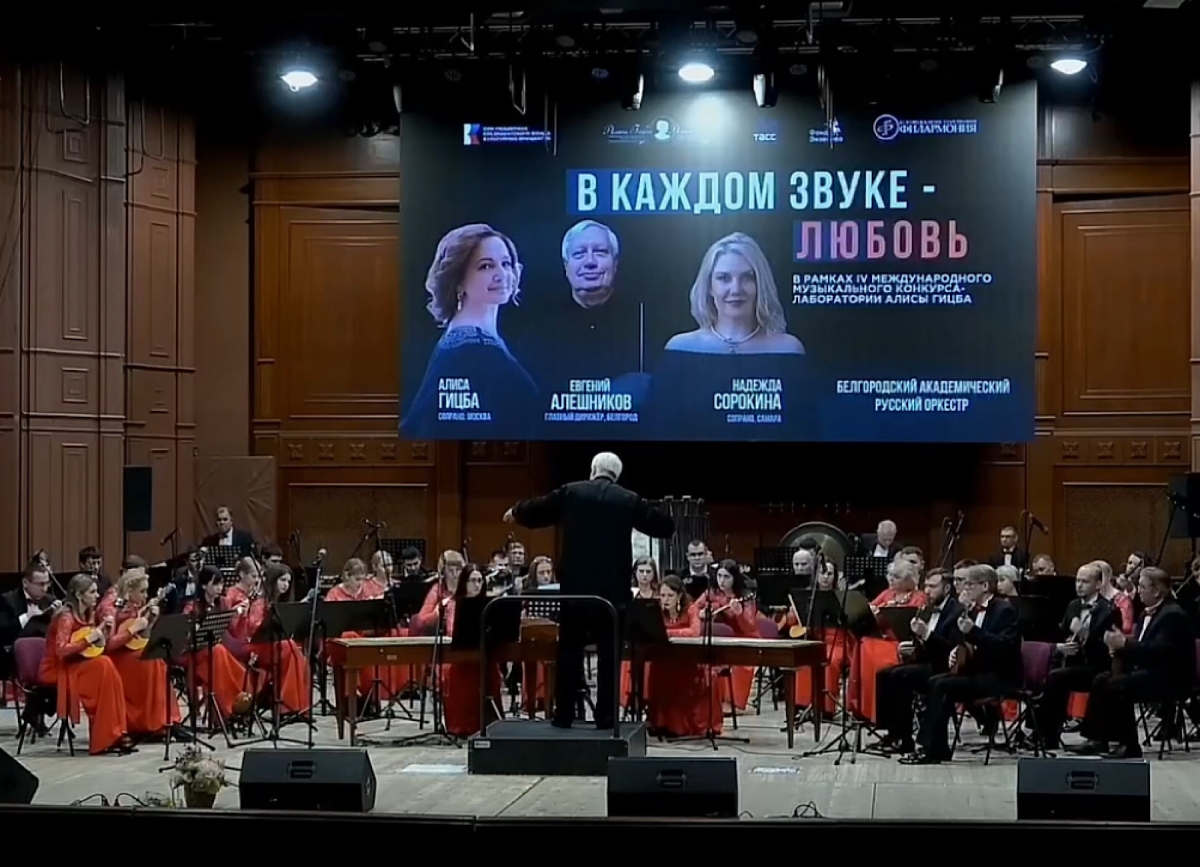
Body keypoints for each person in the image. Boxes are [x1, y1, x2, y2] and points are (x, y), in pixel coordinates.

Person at [504, 450, 675, 729]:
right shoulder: (627, 499)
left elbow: (539, 509)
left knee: (569, 652)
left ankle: (563, 715)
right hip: (611, 595)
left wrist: (516, 512)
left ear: (593, 470)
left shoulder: (572, 492)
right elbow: (664, 526)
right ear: (616, 475)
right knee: (609, 656)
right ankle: (606, 718)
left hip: (576, 591)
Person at [401, 224, 538, 438]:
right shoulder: (468, 351)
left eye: (506, 263)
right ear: (458, 280)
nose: (502, 274)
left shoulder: (471, 341)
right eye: (486, 266)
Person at [902, 564, 1021, 765]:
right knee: (934, 681)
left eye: (969, 585)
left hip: (999, 676)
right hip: (976, 671)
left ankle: (929, 748)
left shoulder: (1004, 610)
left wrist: (974, 631)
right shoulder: (972, 610)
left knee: (943, 685)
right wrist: (956, 650)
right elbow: (964, 641)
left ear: (985, 586)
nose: (965, 589)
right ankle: (938, 748)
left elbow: (1005, 647)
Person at [1070, 567, 1195, 759]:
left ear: (1156, 591)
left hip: (1170, 677)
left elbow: (1162, 651)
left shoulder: (1173, 615)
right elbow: (1142, 648)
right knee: (1101, 679)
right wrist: (1119, 648)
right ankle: (1097, 739)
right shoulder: (1145, 614)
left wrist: (1125, 644)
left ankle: (1129, 745)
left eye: (1142, 587)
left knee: (1118, 685)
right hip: (1150, 671)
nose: (1139, 591)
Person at [38, 574, 133, 755]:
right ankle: (106, 736)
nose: (97, 595)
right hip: (59, 668)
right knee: (104, 666)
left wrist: (105, 632)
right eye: (92, 592)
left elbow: (95, 649)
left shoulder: (88, 613)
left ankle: (117, 731)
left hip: (78, 663)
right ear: (79, 595)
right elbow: (61, 650)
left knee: (107, 667)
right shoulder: (66, 617)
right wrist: (88, 639)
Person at [875, 567, 964, 755]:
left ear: (946, 589)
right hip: (926, 661)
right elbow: (921, 641)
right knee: (884, 674)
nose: (927, 591)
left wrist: (927, 635)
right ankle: (893, 733)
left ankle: (905, 738)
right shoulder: (927, 609)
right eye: (926, 586)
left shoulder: (956, 611)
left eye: (933, 586)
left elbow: (950, 648)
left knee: (900, 676)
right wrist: (909, 647)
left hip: (943, 666)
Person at [1032, 563, 1116, 749]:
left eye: (1085, 582)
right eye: (1078, 581)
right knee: (1051, 675)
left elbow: (1105, 647)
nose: (1079, 585)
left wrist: (1084, 633)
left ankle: (1089, 738)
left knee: (1057, 677)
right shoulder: (1073, 605)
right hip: (1073, 661)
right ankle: (1046, 735)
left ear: (1098, 584)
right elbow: (1062, 632)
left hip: (1097, 666)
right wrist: (1062, 646)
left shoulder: (1107, 609)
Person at [96, 566, 181, 739]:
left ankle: (164, 720)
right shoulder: (110, 607)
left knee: (157, 657)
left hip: (132, 651)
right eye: (142, 591)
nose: (145, 596)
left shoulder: (136, 604)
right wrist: (132, 630)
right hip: (116, 657)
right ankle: (150, 722)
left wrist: (151, 622)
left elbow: (142, 638)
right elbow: (107, 645)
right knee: (151, 661)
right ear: (129, 591)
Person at [645, 575, 723, 737]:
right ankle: (661, 722)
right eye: (662, 595)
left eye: (670, 595)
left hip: (688, 660)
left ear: (679, 595)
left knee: (694, 675)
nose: (665, 599)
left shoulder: (691, 608)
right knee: (655, 669)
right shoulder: (655, 610)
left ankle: (686, 725)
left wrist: (667, 633)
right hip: (665, 659)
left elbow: (694, 632)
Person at [182, 568, 254, 720]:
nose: (219, 588)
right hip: (198, 655)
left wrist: (239, 616)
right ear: (204, 585)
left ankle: (237, 708)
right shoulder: (192, 607)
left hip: (218, 653)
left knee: (236, 667)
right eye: (215, 584)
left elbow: (232, 632)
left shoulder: (223, 603)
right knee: (218, 651)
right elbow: (185, 637)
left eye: (221, 584)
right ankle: (225, 711)